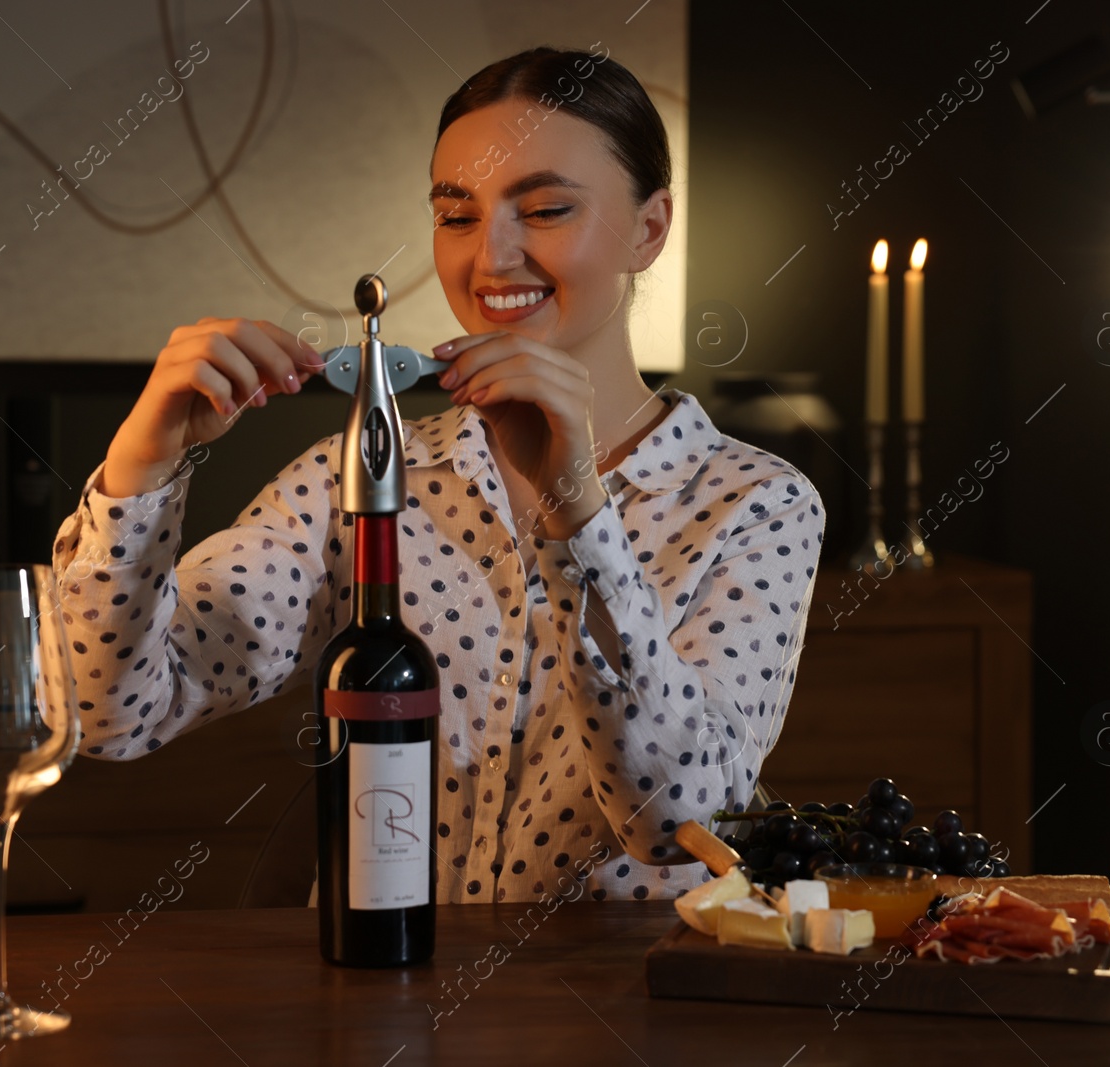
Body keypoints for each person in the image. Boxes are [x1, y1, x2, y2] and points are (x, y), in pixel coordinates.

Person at [51, 45, 824, 906]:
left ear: (650, 229)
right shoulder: (363, 482)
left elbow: (681, 822)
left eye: (546, 209)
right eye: (457, 216)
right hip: (375, 1011)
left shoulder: (756, 503)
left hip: (611, 1020)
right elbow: (111, 713)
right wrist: (142, 462)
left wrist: (578, 513)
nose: (490, 257)